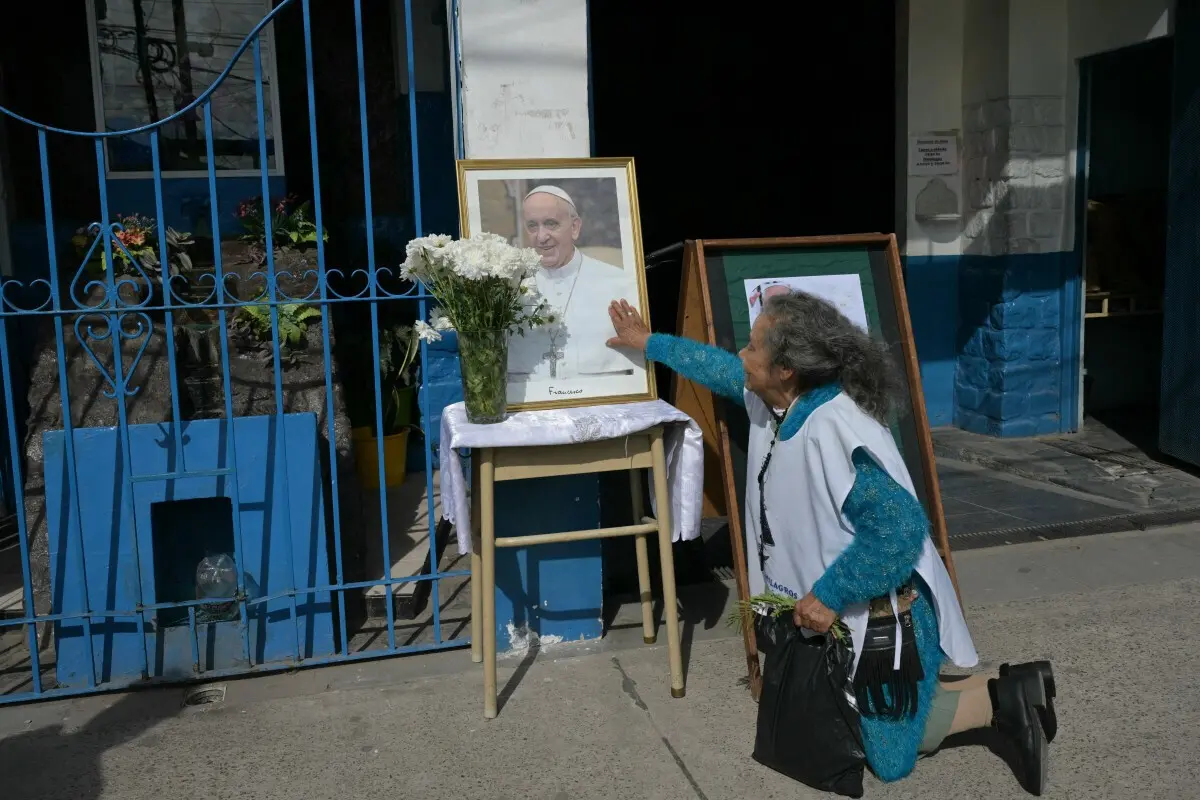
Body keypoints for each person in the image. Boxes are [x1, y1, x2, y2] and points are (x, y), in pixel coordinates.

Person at [605, 292, 1058, 795]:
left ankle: (1006, 695)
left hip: (888, 615)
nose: (742, 357)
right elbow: (717, 367)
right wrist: (648, 343)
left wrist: (828, 595)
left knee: (889, 759)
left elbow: (899, 531)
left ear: (787, 371)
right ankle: (1013, 685)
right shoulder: (777, 399)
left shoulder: (835, 427)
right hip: (841, 614)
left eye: (753, 348)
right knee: (846, 718)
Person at [507, 185, 638, 381]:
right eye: (532, 226)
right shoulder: (509, 286)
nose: (541, 237)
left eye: (551, 223)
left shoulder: (619, 282)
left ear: (575, 227)